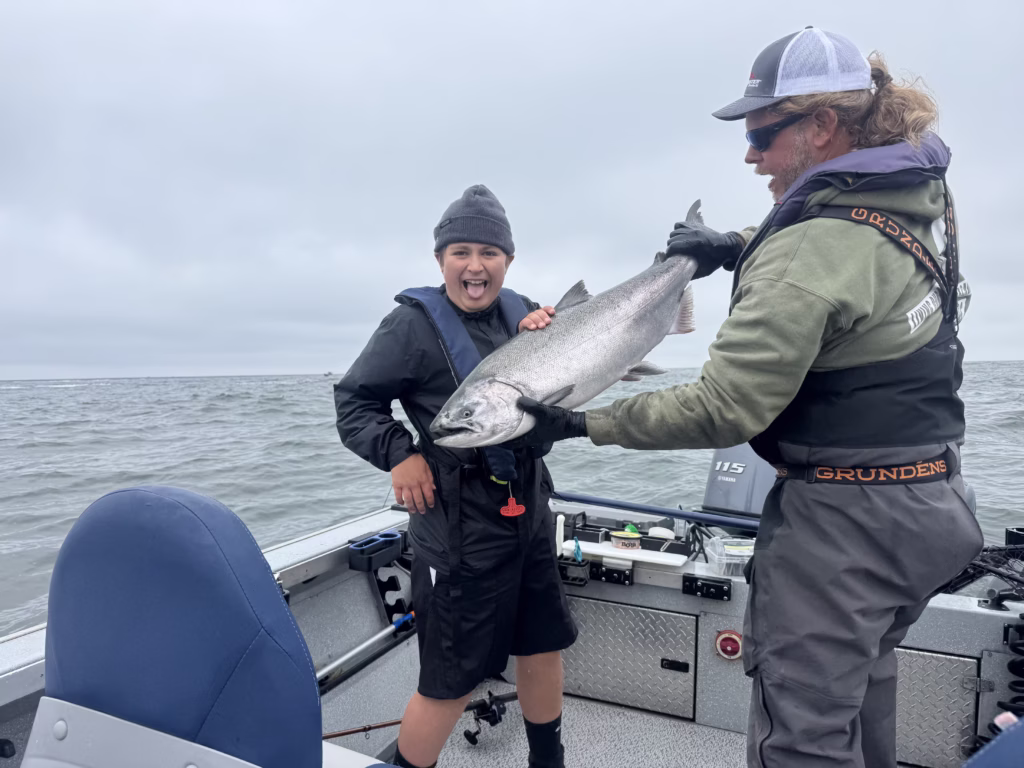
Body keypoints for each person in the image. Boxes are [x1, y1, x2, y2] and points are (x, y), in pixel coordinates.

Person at [511, 27, 984, 768]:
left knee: (803, 737)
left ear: (823, 126)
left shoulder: (807, 251)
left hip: (845, 531)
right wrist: (731, 245)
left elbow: (721, 408)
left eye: (763, 133)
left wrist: (580, 422)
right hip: (934, 505)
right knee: (862, 697)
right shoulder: (918, 195)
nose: (750, 154)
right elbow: (844, 240)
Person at [333, 184, 577, 768]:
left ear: (508, 261)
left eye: (489, 253)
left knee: (542, 645)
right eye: (460, 251)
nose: (475, 265)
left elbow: (555, 411)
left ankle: (549, 762)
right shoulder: (409, 328)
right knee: (451, 677)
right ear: (439, 259)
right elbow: (354, 405)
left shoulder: (530, 315)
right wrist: (399, 453)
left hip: (528, 511)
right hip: (457, 526)